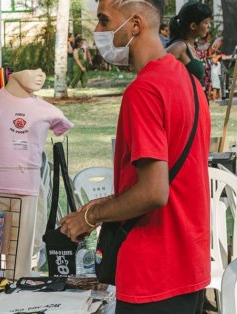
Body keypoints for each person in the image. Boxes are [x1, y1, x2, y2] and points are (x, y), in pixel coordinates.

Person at [60, 0, 210, 312]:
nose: (98, 31)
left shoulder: (144, 91)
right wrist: (105, 203)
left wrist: (91, 217)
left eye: (104, 20)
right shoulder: (192, 84)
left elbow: (153, 192)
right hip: (190, 270)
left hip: (153, 275)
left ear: (135, 24)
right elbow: (173, 178)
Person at [0, 68, 74, 279]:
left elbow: (62, 127)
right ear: (12, 75)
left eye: (42, 71)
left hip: (25, 192)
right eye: (33, 71)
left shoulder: (48, 110)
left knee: (19, 265)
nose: (40, 73)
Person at [165, 1, 212, 84]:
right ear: (193, 26)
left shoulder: (191, 46)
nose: (209, 26)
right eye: (206, 22)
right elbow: (155, 67)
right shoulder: (180, 46)